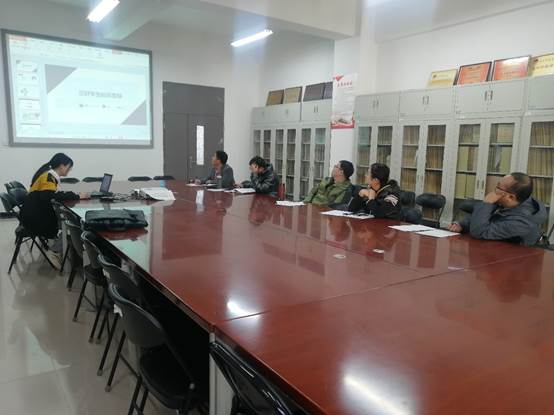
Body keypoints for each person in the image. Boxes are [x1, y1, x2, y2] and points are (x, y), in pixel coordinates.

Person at [20, 153, 88, 268]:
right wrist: (76, 196)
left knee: (70, 222)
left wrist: (71, 195)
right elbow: (48, 195)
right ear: (62, 166)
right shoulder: (49, 175)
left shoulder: (48, 173)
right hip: (36, 218)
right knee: (73, 225)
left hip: (31, 214)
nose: (69, 170)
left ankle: (63, 250)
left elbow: (51, 194)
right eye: (69, 167)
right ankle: (55, 252)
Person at [447, 173, 547, 246]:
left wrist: (486, 203)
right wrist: (461, 225)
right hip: (492, 248)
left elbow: (478, 232)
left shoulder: (523, 223)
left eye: (498, 188)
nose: (494, 191)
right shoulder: (513, 200)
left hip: (517, 259)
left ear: (510, 197)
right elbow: (482, 216)